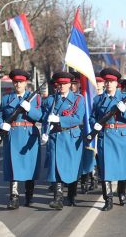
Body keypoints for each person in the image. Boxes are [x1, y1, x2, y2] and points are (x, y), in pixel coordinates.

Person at [89, 68, 126, 211]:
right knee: (105, 169)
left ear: (117, 83)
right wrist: (95, 124)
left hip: (121, 136)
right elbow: (93, 116)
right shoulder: (98, 99)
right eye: (107, 81)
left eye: (112, 81)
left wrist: (124, 110)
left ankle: (122, 194)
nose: (109, 84)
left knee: (122, 168)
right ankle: (108, 199)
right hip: (106, 136)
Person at [0, 69, 42, 210]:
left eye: (20, 82)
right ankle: (13, 197)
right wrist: (1, 125)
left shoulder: (34, 98)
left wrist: (30, 110)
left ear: (26, 82)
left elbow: (40, 116)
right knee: (12, 167)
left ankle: (29, 196)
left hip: (29, 135)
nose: (18, 84)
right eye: (15, 82)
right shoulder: (6, 99)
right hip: (13, 135)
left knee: (30, 167)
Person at [41, 72, 85, 210]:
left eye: (65, 84)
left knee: (72, 168)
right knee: (56, 167)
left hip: (71, 137)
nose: (62, 86)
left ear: (70, 84)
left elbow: (78, 118)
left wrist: (60, 119)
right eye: (59, 84)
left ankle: (71, 195)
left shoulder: (78, 99)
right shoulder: (50, 100)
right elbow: (44, 119)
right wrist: (44, 133)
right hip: (56, 137)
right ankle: (58, 198)